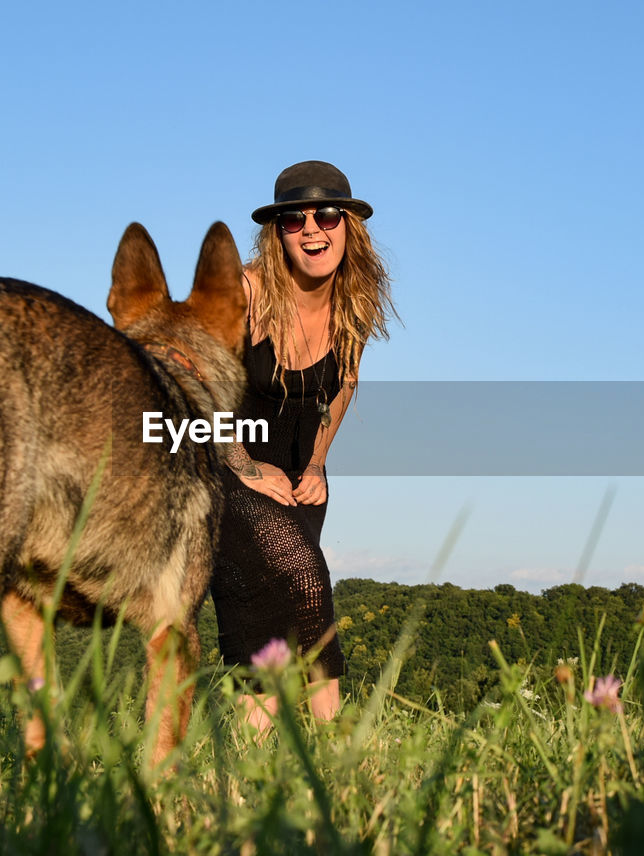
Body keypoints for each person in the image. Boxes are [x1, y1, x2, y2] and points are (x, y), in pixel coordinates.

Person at [210, 160, 396, 731]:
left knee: (265, 623)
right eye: (294, 219)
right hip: (222, 464)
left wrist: (317, 463)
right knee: (307, 581)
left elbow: (344, 384)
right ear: (277, 232)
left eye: (327, 214)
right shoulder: (244, 291)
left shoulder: (355, 301)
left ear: (350, 225)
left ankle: (255, 765)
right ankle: (338, 749)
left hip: (294, 472)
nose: (312, 228)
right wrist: (243, 465)